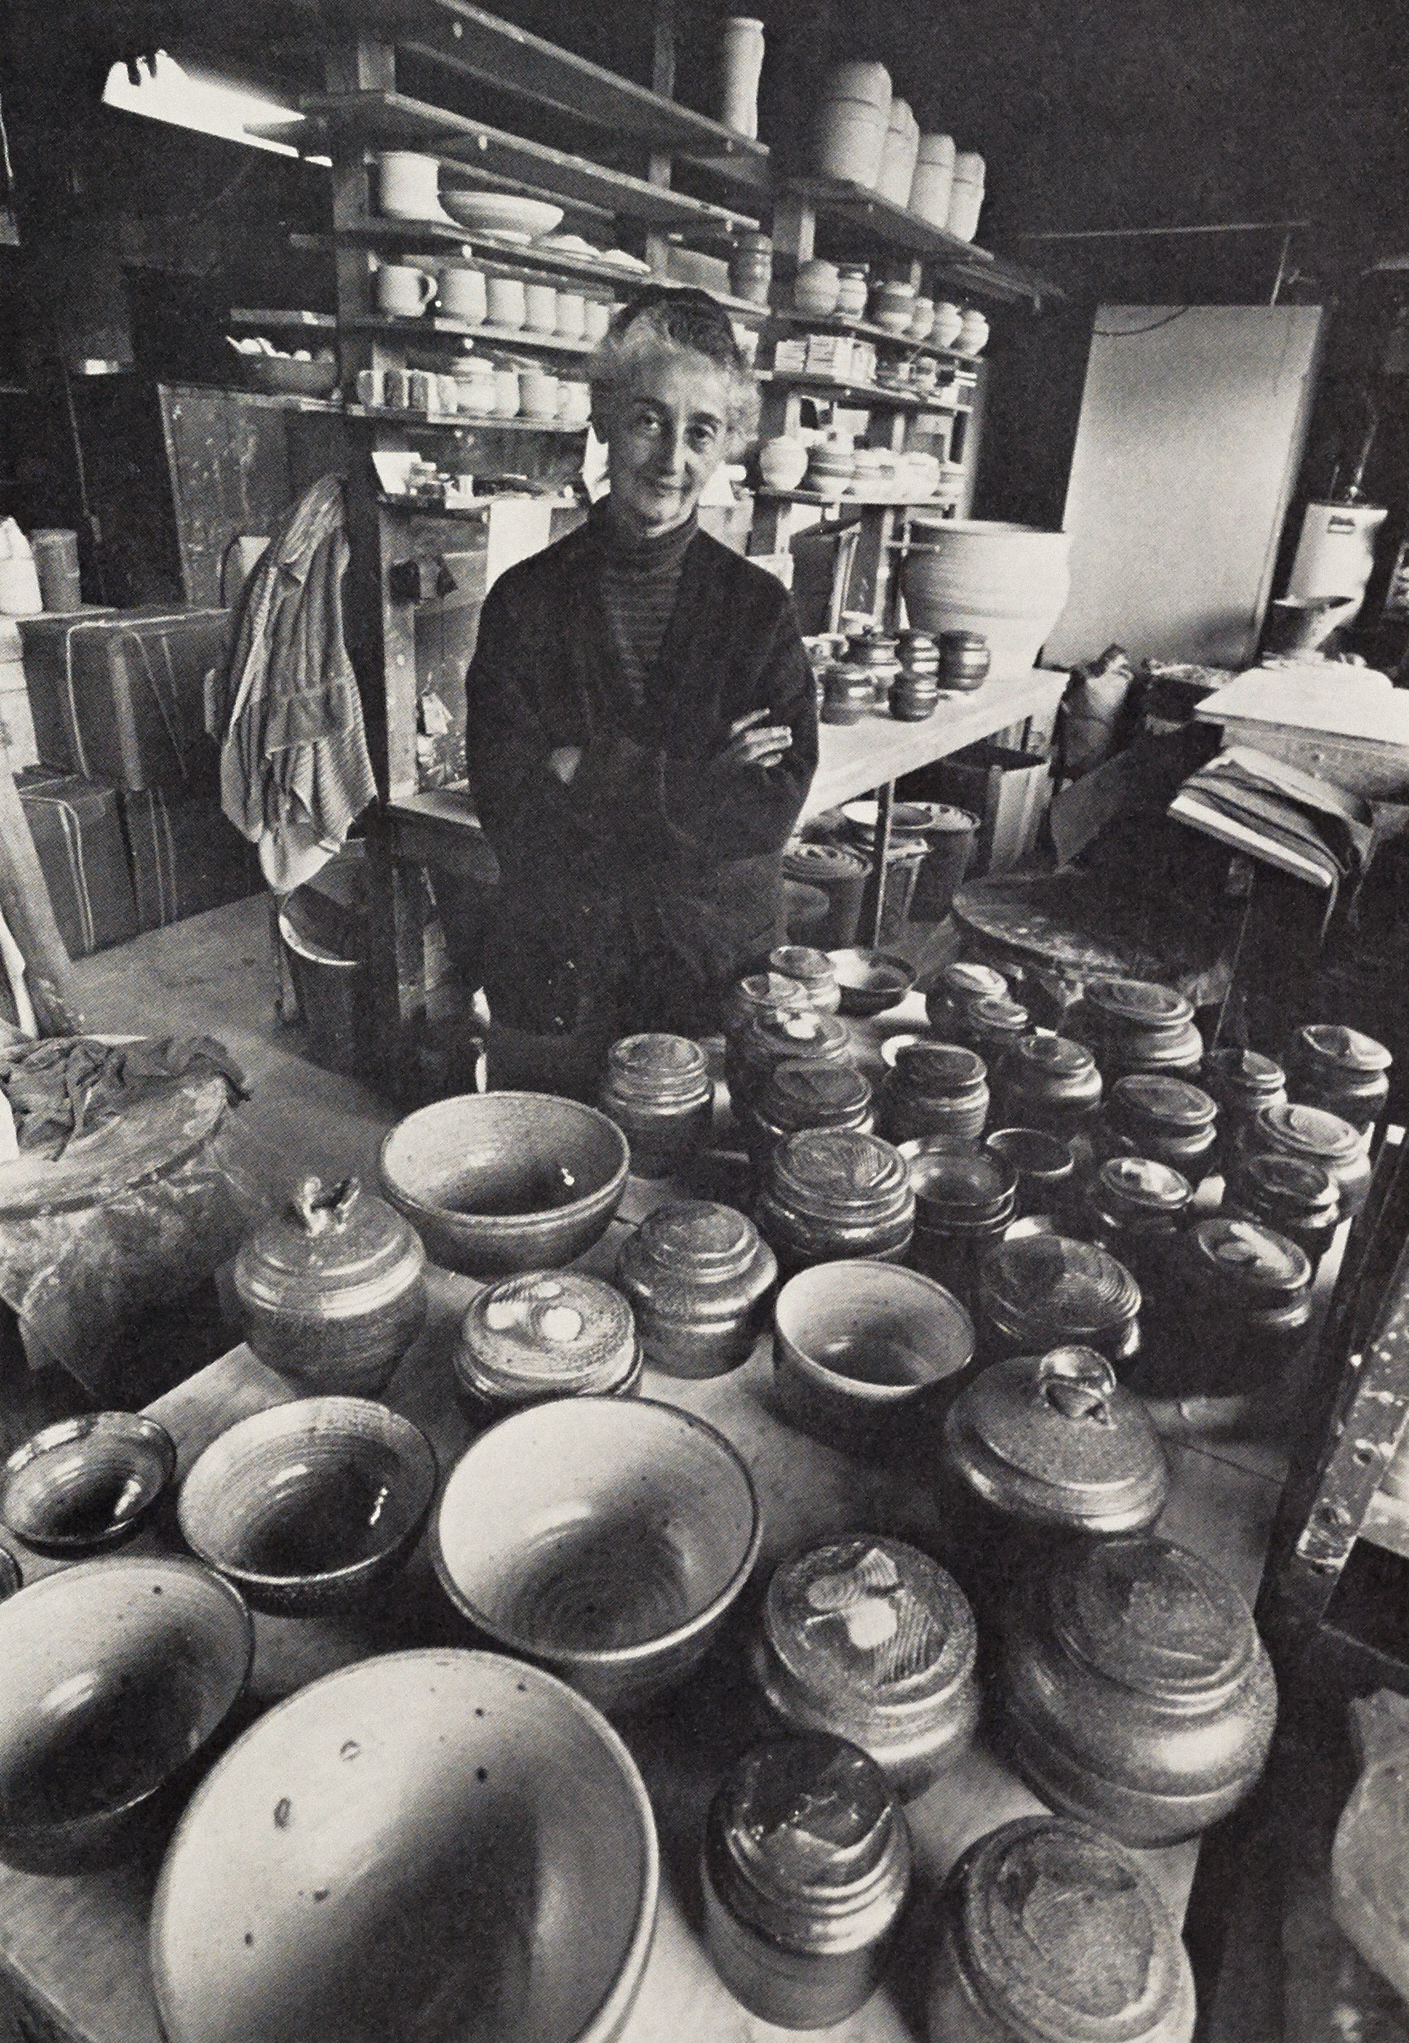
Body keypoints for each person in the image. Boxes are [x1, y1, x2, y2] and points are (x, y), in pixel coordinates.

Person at [465, 286, 818, 1091]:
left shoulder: (756, 609)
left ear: (729, 443)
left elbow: (768, 806)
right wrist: (698, 777)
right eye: (649, 419)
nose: (671, 458)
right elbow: (509, 805)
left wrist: (584, 769)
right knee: (546, 1185)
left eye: (701, 431)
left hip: (704, 974)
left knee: (692, 1197)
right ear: (603, 417)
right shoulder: (524, 601)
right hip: (556, 969)